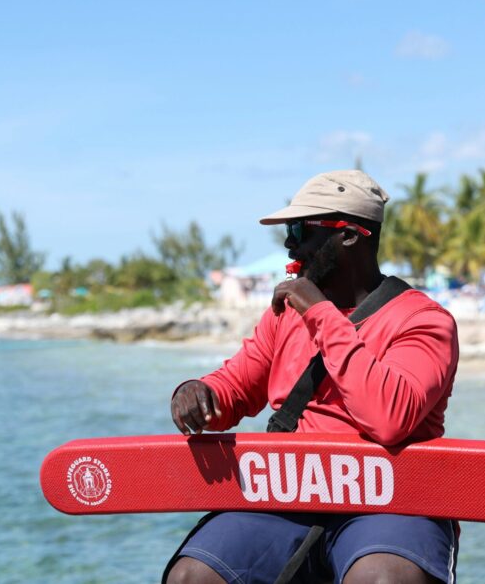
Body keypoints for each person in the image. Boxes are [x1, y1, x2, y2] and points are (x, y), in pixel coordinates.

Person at [165, 170, 461, 584]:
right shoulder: (285, 317)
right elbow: (233, 387)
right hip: (289, 493)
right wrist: (198, 393)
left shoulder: (424, 321)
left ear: (351, 235)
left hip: (389, 499)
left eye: (299, 228)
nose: (290, 243)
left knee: (383, 581)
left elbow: (390, 419)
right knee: (192, 577)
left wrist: (319, 311)